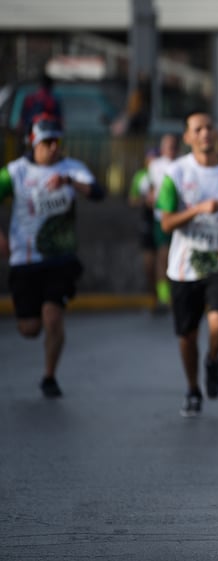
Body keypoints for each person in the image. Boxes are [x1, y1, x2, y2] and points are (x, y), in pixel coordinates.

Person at [156, 112, 218, 417]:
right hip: (184, 266)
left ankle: (212, 359)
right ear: (187, 137)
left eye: (210, 127)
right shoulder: (175, 172)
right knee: (187, 335)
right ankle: (192, 388)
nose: (205, 134)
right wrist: (198, 209)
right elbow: (166, 222)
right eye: (197, 129)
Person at [0, 115, 104, 397]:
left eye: (57, 141)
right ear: (33, 142)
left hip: (60, 258)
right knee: (29, 328)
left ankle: (49, 376)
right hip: (25, 258)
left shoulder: (72, 168)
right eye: (47, 142)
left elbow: (97, 193)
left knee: (52, 316)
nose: (53, 147)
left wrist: (69, 182)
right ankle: (40, 339)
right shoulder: (15, 172)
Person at [147, 134, 180, 311]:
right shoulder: (155, 166)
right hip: (161, 217)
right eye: (167, 145)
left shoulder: (183, 164)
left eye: (173, 145)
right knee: (163, 256)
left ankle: (176, 295)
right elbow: (152, 189)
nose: (170, 149)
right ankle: (164, 297)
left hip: (181, 218)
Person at [127, 147, 160, 309]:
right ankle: (154, 296)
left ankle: (165, 297)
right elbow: (132, 200)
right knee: (149, 264)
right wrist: (144, 201)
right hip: (147, 221)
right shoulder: (141, 177)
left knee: (164, 261)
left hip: (163, 221)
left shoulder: (166, 173)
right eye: (150, 158)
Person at [19, 73, 63, 143]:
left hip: (29, 134)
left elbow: (22, 120)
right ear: (50, 86)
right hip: (45, 137)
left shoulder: (30, 99)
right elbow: (59, 121)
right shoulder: (52, 101)